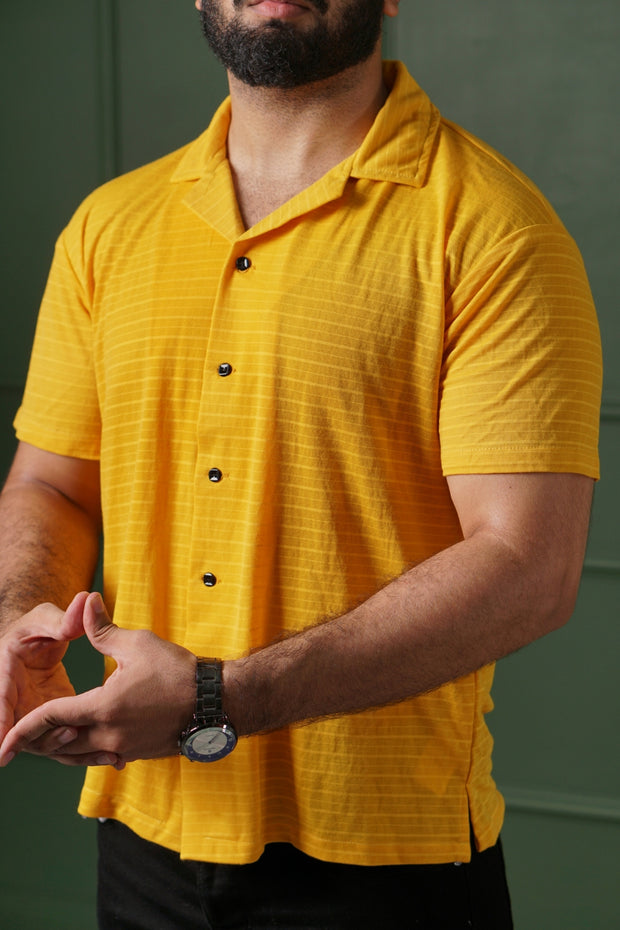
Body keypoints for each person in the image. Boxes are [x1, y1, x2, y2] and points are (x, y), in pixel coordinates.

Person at [0, 1, 602, 927]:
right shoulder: (108, 227)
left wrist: (218, 698)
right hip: (145, 835)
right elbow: (50, 482)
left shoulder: (495, 231)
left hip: (384, 864)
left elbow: (530, 568)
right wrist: (17, 612)